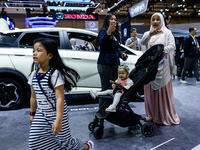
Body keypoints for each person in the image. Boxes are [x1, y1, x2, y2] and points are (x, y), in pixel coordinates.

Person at [28, 38, 94, 150]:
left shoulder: (55, 74)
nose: (35, 53)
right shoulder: (33, 74)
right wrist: (32, 114)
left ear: (49, 55)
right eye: (33, 51)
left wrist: (58, 120)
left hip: (57, 114)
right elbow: (33, 97)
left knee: (66, 142)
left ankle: (87, 147)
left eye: (39, 50)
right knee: (35, 143)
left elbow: (60, 99)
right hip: (41, 114)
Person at [140, 12, 180, 125]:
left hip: (163, 67)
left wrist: (163, 51)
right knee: (150, 89)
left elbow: (172, 46)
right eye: (153, 19)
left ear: (162, 20)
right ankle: (152, 114)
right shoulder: (148, 33)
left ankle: (164, 115)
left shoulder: (167, 33)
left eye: (158, 19)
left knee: (162, 90)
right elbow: (142, 42)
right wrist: (150, 34)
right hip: (150, 67)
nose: (156, 22)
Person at [97, 12, 127, 92]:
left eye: (115, 20)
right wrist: (109, 32)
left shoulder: (114, 34)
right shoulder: (104, 31)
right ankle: (103, 105)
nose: (114, 21)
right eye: (112, 19)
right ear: (107, 21)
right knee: (106, 89)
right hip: (105, 64)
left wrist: (121, 54)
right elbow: (102, 44)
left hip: (114, 64)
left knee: (113, 89)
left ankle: (110, 105)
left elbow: (114, 49)